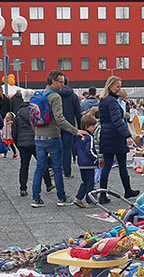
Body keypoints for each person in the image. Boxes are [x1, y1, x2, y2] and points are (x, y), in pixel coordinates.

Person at [30, 70, 86, 207]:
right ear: (53, 82)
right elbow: (60, 119)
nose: (63, 84)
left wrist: (36, 132)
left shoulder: (39, 95)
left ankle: (36, 198)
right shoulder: (55, 97)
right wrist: (75, 130)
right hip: (53, 137)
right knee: (56, 167)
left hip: (39, 137)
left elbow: (31, 118)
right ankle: (61, 198)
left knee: (39, 168)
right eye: (61, 81)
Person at [96, 75, 138, 204]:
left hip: (106, 135)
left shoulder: (103, 100)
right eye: (117, 86)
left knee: (107, 165)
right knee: (122, 165)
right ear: (110, 86)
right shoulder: (112, 101)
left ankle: (102, 194)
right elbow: (117, 121)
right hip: (115, 136)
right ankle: (127, 189)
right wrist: (127, 135)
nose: (119, 89)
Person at [13, 89, 53, 196]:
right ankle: (48, 183)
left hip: (22, 143)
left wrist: (17, 143)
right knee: (41, 162)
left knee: (24, 165)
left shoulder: (19, 112)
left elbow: (14, 130)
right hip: (36, 140)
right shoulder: (35, 110)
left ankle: (23, 188)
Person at [73, 114, 99, 208]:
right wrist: (95, 158)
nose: (94, 128)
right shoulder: (89, 137)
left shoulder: (79, 136)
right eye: (92, 126)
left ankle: (78, 198)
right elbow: (90, 149)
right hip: (89, 163)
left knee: (84, 181)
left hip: (81, 162)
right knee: (90, 183)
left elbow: (75, 149)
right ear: (87, 126)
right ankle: (89, 201)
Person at [59, 76, 82, 178]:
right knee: (67, 150)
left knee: (56, 149)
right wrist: (80, 128)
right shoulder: (73, 96)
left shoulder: (54, 95)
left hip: (56, 126)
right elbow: (78, 113)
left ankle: (56, 170)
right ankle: (67, 171)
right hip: (69, 126)